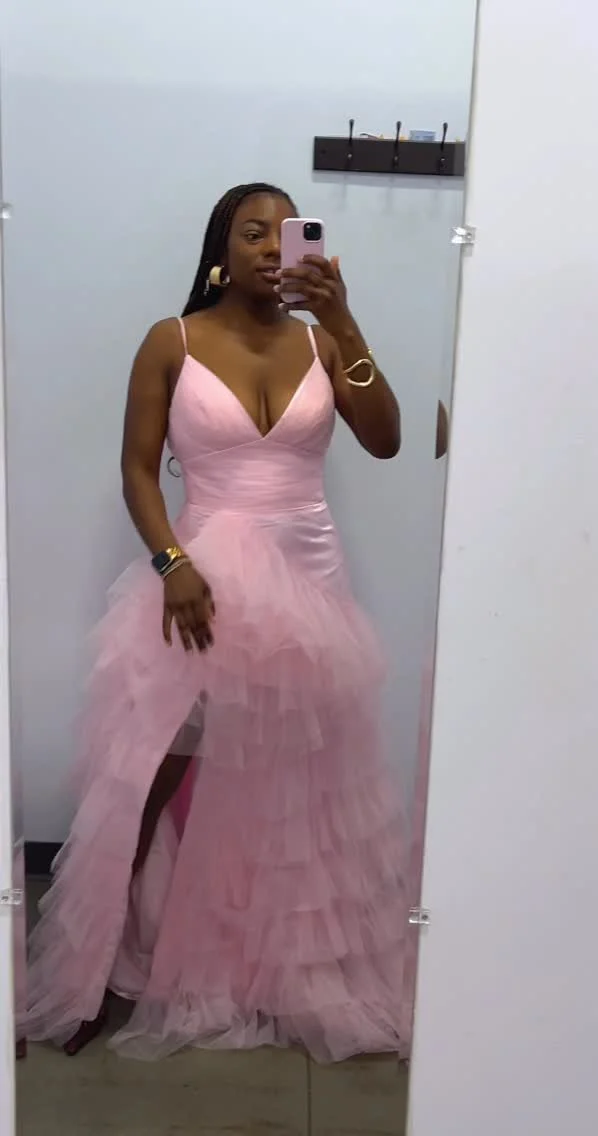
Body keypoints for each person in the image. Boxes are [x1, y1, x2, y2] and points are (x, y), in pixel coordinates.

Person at [20, 182, 408, 1063]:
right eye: (253, 232)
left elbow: (384, 437)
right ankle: (91, 971)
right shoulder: (174, 339)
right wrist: (171, 565)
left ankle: (276, 965)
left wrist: (345, 324)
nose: (272, 247)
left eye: (288, 233)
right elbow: (137, 469)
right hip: (200, 585)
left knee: (301, 780)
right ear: (221, 251)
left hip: (309, 590)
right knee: (148, 772)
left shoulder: (321, 341)